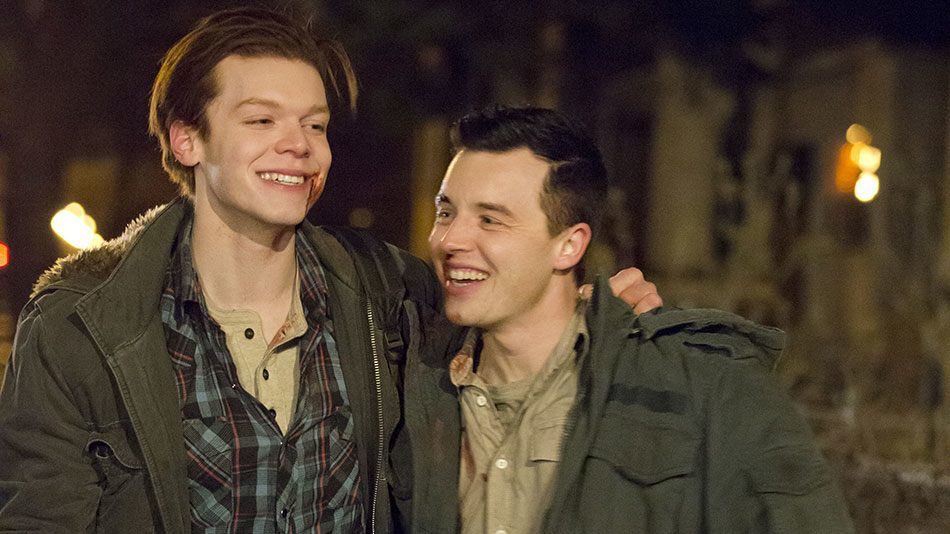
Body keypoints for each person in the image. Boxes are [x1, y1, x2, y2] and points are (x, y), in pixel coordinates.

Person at [0, 8, 659, 533]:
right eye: (262, 120)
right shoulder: (81, 324)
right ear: (186, 139)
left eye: (315, 125)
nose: (299, 145)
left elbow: (511, 346)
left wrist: (590, 317)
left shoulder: (389, 295)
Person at [398, 106, 855, 533]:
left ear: (569, 245)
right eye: (446, 212)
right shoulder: (409, 378)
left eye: (490, 220)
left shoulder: (704, 384)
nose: (449, 239)